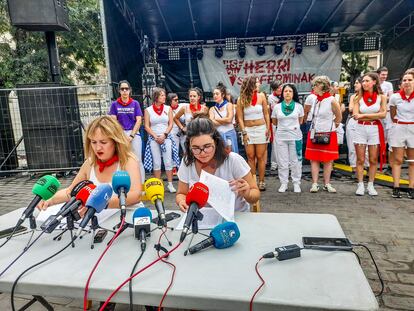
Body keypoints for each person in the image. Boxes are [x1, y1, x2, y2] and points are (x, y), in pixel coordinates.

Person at [38, 116, 142, 211]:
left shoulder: (128, 161)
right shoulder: (90, 163)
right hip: (99, 223)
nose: (98, 148)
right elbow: (71, 192)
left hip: (127, 219)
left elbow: (136, 195)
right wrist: (50, 200)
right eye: (93, 142)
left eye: (103, 142)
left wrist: (99, 203)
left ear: (116, 142)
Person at [176, 117, 260, 212]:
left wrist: (247, 193)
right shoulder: (188, 161)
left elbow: (255, 195)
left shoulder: (233, 160)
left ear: (216, 142)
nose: (202, 153)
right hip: (203, 219)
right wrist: (181, 201)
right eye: (195, 148)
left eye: (207, 146)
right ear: (189, 146)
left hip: (235, 217)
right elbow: (181, 193)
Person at [304, 76, 342, 193]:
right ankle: (315, 184)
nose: (313, 87)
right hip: (315, 132)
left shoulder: (332, 100)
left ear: (322, 86)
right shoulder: (314, 99)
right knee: (314, 159)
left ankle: (327, 184)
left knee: (328, 160)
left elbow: (339, 117)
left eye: (315, 85)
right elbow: (308, 113)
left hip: (328, 133)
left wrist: (332, 128)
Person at [353, 72, 387, 196]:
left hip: (374, 129)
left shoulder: (381, 97)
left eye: (367, 81)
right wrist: (370, 116)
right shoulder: (358, 97)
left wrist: (364, 115)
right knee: (360, 159)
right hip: (361, 128)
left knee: (373, 159)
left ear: (374, 82)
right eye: (363, 81)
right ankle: (360, 184)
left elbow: (384, 114)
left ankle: (371, 185)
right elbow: (356, 116)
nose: (364, 83)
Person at [236, 77, 270, 191]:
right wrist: (244, 131)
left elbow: (266, 113)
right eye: (256, 82)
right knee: (250, 157)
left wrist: (268, 128)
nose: (258, 84)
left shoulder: (261, 96)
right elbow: (240, 117)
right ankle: (252, 181)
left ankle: (262, 181)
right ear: (250, 84)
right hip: (248, 130)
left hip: (261, 129)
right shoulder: (241, 98)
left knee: (260, 157)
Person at [109, 80, 145, 184]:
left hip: (134, 134)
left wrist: (132, 135)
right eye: (122, 89)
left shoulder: (135, 103)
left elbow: (139, 120)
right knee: (122, 161)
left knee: (138, 160)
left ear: (130, 90)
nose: (124, 91)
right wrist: (121, 136)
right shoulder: (114, 105)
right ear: (119, 91)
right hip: (120, 134)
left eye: (126, 89)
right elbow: (113, 121)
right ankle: (125, 185)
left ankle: (140, 185)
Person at [144, 87, 179, 193]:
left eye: (164, 95)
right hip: (154, 138)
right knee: (156, 162)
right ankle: (158, 184)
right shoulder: (148, 110)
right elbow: (146, 126)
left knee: (168, 161)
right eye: (162, 95)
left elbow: (171, 124)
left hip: (166, 137)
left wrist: (164, 135)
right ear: (156, 97)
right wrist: (155, 136)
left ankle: (170, 184)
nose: (164, 97)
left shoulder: (168, 109)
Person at [271, 83, 304, 193]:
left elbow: (300, 121)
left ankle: (296, 183)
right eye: (285, 91)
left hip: (295, 137)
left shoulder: (299, 107)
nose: (288, 93)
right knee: (282, 161)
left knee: (295, 161)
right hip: (281, 137)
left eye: (290, 91)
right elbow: (274, 122)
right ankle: (283, 183)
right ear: (282, 93)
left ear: (293, 93)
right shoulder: (277, 107)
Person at [389, 70, 414, 198]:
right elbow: (393, 114)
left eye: (410, 80)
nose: (407, 82)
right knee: (398, 159)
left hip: (413, 129)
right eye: (404, 80)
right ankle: (396, 187)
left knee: (412, 161)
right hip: (399, 127)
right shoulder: (395, 97)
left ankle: (411, 188)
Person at [346, 77, 369, 171]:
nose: (355, 85)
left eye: (357, 83)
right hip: (353, 122)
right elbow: (351, 109)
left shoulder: (370, 96)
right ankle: (354, 168)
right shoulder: (353, 96)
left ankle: (367, 166)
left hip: (365, 122)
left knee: (366, 148)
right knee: (352, 146)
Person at [209, 82, 239, 153]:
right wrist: (224, 120)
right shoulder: (212, 109)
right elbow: (211, 123)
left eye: (217, 94)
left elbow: (229, 120)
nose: (215, 96)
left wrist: (215, 119)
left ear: (222, 95)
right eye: (214, 94)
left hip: (230, 134)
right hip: (218, 136)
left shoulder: (229, 105)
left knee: (232, 156)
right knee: (220, 157)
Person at [268, 80, 282, 170]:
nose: (280, 89)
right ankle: (274, 163)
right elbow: (273, 111)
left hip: (284, 122)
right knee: (275, 143)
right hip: (275, 122)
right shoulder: (271, 97)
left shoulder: (285, 94)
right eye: (278, 88)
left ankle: (284, 163)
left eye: (281, 87)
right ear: (274, 89)